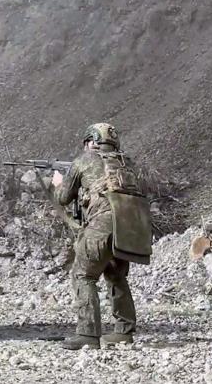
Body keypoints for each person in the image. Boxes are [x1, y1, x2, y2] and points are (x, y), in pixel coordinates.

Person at [52, 123, 152, 350]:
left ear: (91, 141)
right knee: (116, 276)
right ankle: (123, 332)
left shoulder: (84, 160)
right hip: (129, 226)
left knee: (83, 275)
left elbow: (63, 198)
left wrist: (57, 183)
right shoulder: (128, 164)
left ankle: (87, 334)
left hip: (101, 224)